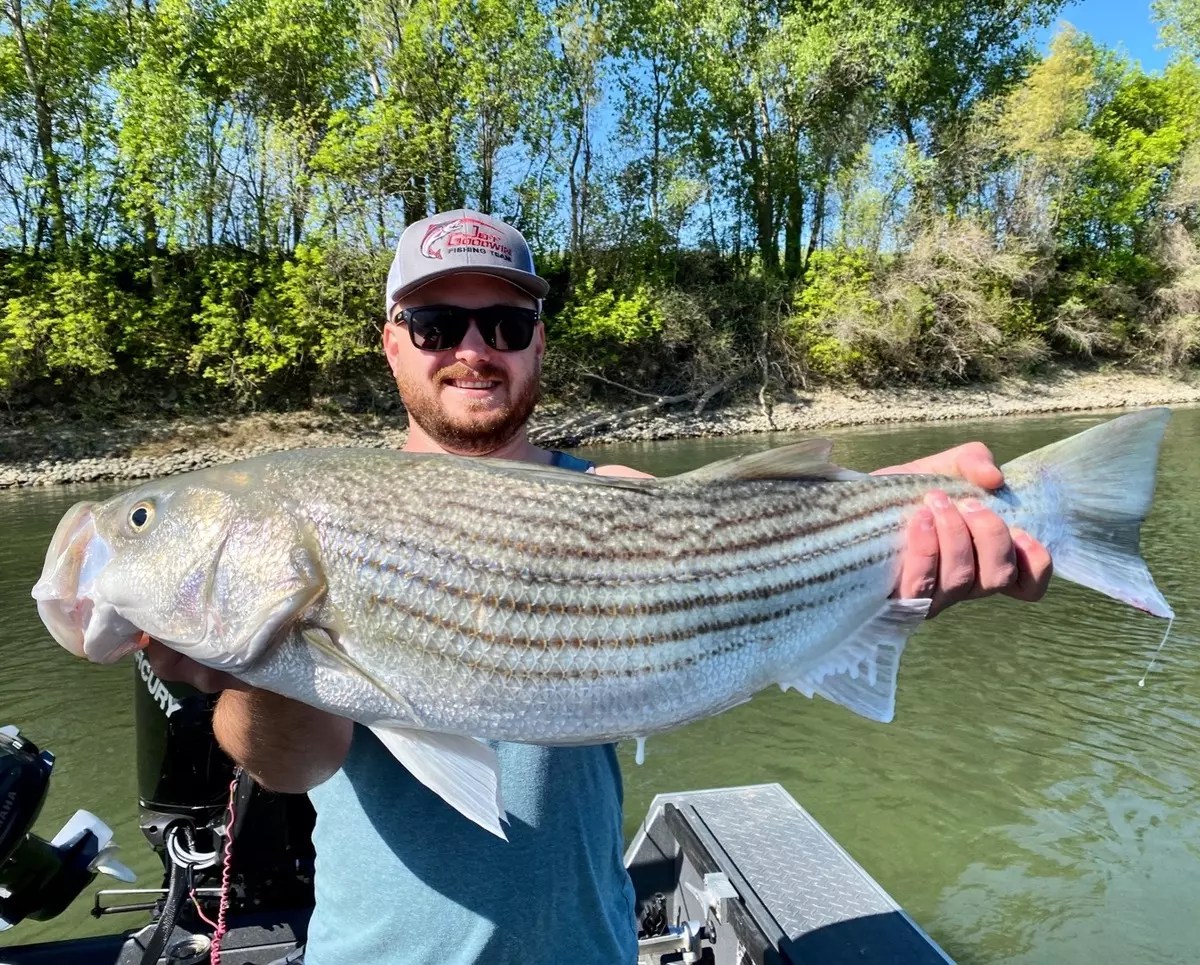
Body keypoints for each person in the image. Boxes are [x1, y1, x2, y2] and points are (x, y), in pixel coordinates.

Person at [148, 208, 1052, 964]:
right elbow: (293, 764)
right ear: (392, 344)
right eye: (436, 326)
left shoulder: (616, 498)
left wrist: (894, 551)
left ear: (537, 341)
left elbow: (761, 545)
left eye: (503, 324)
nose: (473, 348)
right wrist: (253, 660)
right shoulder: (329, 512)